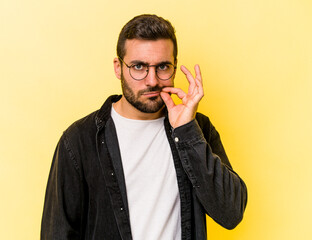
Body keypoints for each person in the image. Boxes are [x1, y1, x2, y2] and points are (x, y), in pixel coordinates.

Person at [41, 14, 247, 240]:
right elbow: (57, 233)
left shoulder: (196, 128)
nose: (152, 80)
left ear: (175, 67)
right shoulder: (79, 141)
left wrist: (187, 132)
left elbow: (231, 214)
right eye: (138, 67)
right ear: (118, 67)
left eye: (163, 67)